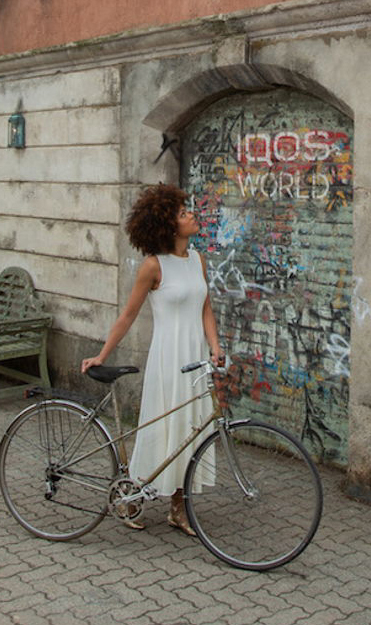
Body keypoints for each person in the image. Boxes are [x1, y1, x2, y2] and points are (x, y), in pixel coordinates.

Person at [80, 183, 224, 535]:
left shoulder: (197, 260)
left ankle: (178, 508)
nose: (190, 214)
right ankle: (131, 495)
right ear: (167, 226)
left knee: (192, 430)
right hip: (168, 359)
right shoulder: (153, 266)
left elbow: (205, 307)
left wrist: (216, 347)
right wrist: (102, 354)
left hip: (195, 357)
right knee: (163, 429)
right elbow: (128, 315)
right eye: (181, 213)